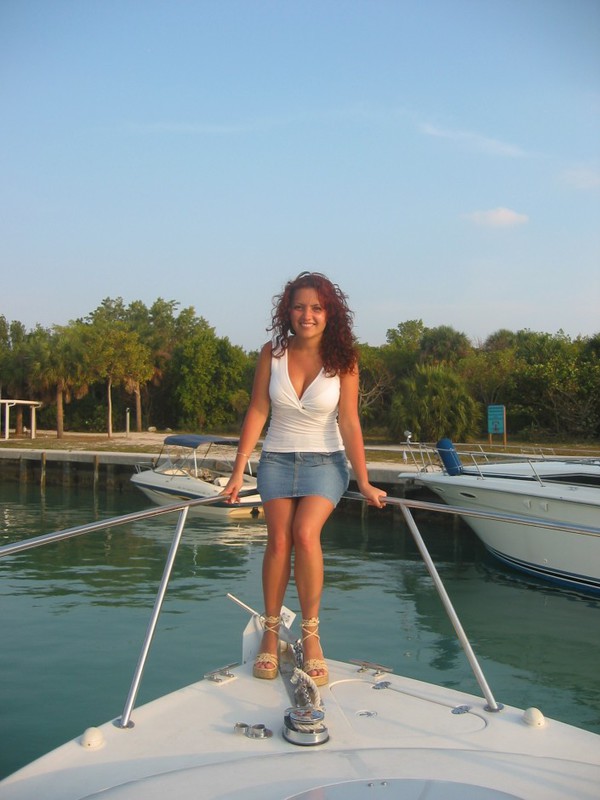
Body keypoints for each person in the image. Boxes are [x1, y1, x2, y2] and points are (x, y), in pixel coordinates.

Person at [222, 271, 386, 685]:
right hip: (276, 460)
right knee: (278, 540)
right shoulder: (272, 353)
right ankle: (271, 631)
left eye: (316, 307)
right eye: (299, 307)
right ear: (288, 311)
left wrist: (364, 481)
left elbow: (349, 422)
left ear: (329, 313)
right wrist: (238, 471)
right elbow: (258, 409)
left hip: (326, 462)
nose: (306, 315)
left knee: (305, 533)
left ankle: (311, 636)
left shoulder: (344, 360)